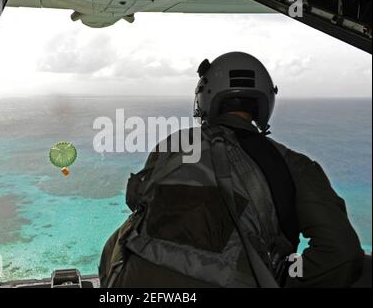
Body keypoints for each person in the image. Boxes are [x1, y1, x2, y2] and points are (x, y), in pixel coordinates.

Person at [99, 52, 366, 288]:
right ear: (265, 102)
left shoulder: (172, 146)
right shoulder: (293, 165)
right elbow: (341, 252)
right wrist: (279, 277)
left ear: (204, 98)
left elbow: (138, 211)